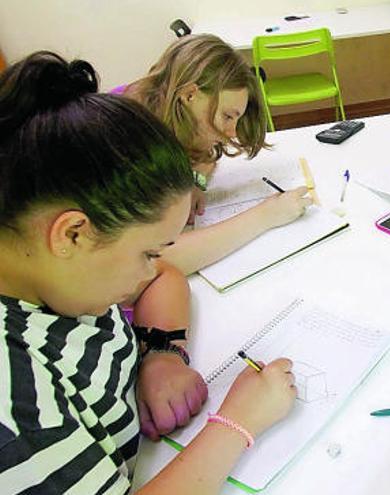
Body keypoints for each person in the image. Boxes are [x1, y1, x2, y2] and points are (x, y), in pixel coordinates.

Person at [0, 52, 296, 493]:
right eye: (145, 253)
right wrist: (237, 422)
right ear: (73, 233)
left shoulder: (52, 274)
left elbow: (164, 277)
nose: (149, 270)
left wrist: (160, 355)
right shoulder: (16, 403)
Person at [121, 34, 312, 275]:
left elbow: (206, 155)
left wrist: (196, 180)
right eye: (227, 116)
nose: (232, 132)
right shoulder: (131, 143)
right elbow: (152, 260)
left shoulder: (169, 108)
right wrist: (267, 215)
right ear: (190, 95)